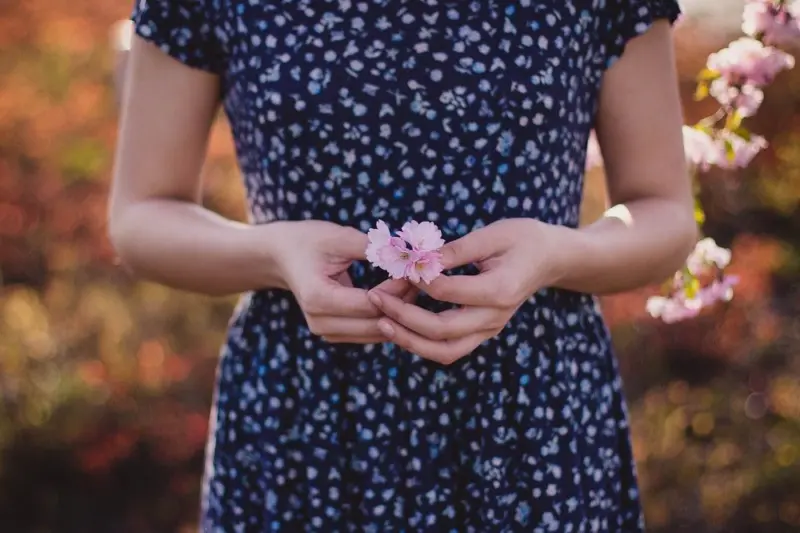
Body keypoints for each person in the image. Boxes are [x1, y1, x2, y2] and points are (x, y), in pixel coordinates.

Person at [109, 0, 695, 531]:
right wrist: (273, 254)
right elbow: (142, 214)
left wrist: (557, 254)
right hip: (304, 415)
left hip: (529, 413)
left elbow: (664, 212)